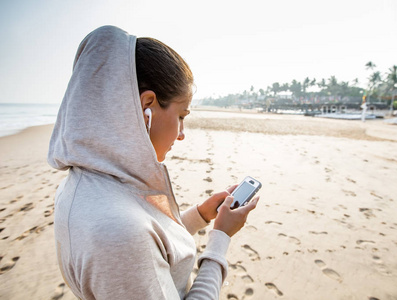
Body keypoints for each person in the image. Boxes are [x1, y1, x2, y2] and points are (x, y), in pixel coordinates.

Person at [48, 25, 259, 299]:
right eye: (181, 116)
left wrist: (201, 215)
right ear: (147, 106)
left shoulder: (84, 186)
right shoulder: (118, 232)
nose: (182, 134)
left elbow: (150, 249)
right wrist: (220, 240)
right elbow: (133, 238)